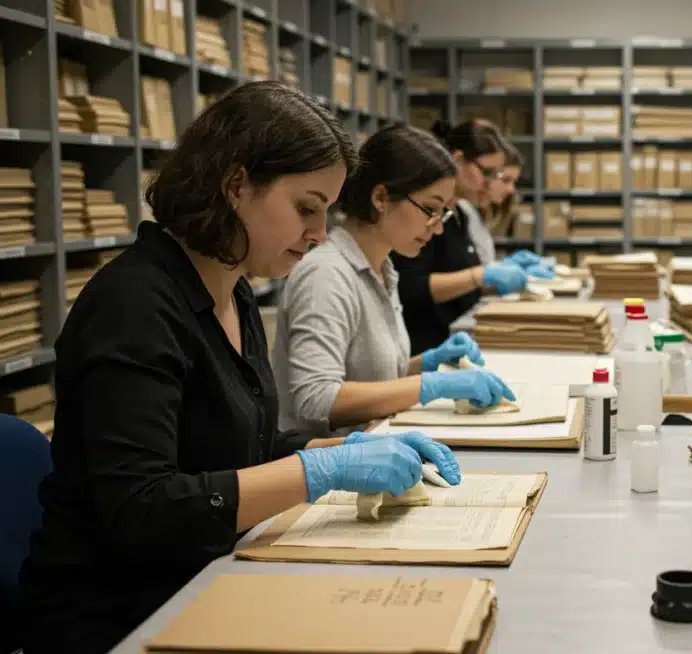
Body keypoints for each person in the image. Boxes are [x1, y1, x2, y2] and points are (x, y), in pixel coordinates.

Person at [17, 82, 462, 654]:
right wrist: (319, 471)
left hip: (207, 577)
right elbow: (143, 508)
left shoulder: (233, 289)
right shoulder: (134, 306)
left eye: (325, 212)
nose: (319, 233)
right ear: (236, 186)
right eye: (305, 208)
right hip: (119, 617)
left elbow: (235, 446)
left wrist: (344, 450)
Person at [273, 123, 517, 439]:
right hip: (333, 458)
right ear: (381, 197)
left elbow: (373, 378)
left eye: (442, 213)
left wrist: (426, 364)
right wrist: (429, 385)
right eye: (430, 209)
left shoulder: (383, 269)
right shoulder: (326, 274)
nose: (437, 227)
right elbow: (316, 399)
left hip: (377, 442)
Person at [390, 120, 539, 353]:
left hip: (457, 338)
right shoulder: (424, 217)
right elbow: (409, 287)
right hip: (427, 344)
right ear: (457, 160)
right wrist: (481, 275)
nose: (490, 183)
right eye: (487, 172)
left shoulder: (460, 214)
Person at [479, 139, 553, 277]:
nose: (511, 190)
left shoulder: (482, 213)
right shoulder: (461, 212)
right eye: (505, 180)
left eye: (513, 182)